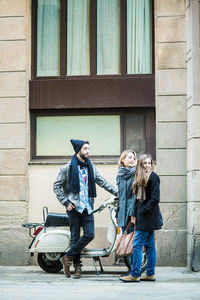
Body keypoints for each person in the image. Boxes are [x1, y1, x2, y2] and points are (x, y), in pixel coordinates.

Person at [53, 139, 118, 279]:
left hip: (88, 207)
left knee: (90, 234)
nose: (88, 151)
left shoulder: (91, 167)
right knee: (75, 237)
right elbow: (56, 186)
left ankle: (67, 257)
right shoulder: (67, 168)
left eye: (89, 148)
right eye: (85, 149)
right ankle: (77, 267)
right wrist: (65, 202)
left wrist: (118, 193)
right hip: (74, 207)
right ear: (78, 150)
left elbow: (102, 182)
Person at [120, 154, 163, 283]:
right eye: (145, 163)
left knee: (137, 244)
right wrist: (134, 214)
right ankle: (150, 273)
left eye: (149, 163)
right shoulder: (139, 177)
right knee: (149, 244)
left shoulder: (153, 177)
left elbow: (155, 198)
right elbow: (136, 199)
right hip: (143, 215)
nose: (148, 165)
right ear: (140, 165)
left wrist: (142, 211)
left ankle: (135, 274)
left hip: (148, 215)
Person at [116, 150, 137, 232]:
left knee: (133, 240)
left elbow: (136, 196)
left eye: (134, 158)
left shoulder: (137, 173)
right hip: (122, 212)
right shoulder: (119, 176)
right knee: (125, 240)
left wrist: (133, 214)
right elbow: (120, 197)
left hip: (132, 211)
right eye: (130, 157)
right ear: (123, 160)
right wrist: (117, 215)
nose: (132, 160)